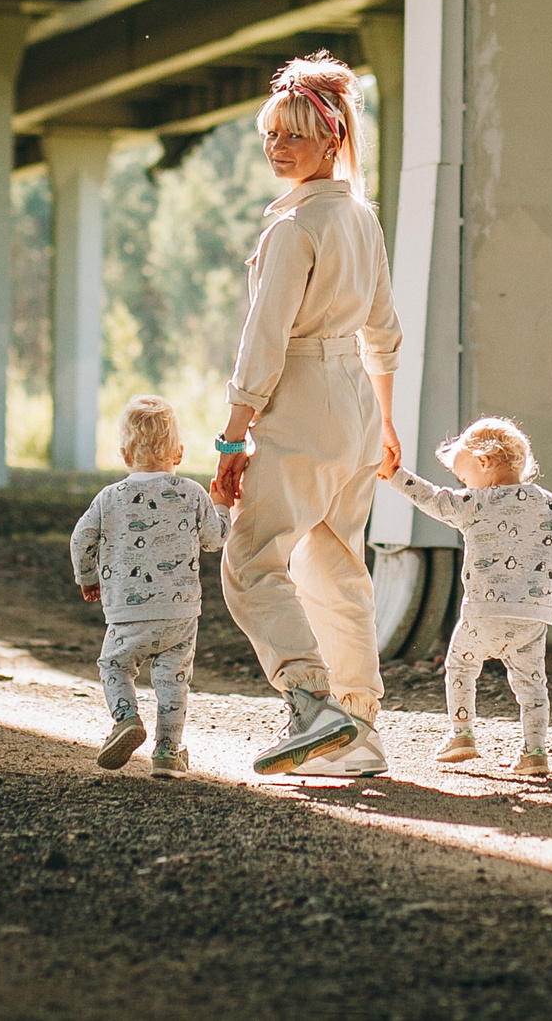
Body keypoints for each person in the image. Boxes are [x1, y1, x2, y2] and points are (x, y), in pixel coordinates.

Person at [213, 52, 404, 777]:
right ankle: (358, 731)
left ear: (332, 140)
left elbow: (264, 340)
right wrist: (383, 422)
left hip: (300, 399)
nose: (277, 148)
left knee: (251, 560)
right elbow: (382, 330)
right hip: (355, 403)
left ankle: (309, 700)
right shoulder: (361, 218)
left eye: (293, 135)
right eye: (270, 135)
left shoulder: (293, 230)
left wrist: (234, 433)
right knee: (337, 567)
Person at [381, 415, 552, 777]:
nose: (463, 485)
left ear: (484, 461)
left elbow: (432, 498)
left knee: (461, 665)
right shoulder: (548, 504)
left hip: (483, 612)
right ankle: (535, 752)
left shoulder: (474, 504)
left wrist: (394, 475)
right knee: (532, 684)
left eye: (464, 478)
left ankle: (462, 734)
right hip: (533, 616)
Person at [70, 394, 227, 779]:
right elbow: (215, 540)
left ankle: (126, 718)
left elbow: (80, 539)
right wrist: (222, 505)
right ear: (179, 452)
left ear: (125, 456)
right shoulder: (192, 493)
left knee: (114, 664)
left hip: (128, 611)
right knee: (173, 679)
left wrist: (87, 577)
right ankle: (168, 753)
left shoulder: (109, 498)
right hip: (180, 612)